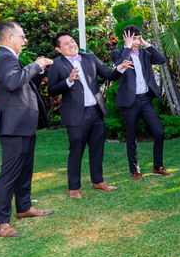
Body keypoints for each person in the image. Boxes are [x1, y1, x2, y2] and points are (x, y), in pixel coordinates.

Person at [48, 32, 131, 199]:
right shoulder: (57, 65)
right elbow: (51, 90)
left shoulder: (89, 57)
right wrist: (69, 81)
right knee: (76, 151)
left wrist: (120, 68)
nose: (71, 44)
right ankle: (73, 187)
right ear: (58, 49)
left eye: (72, 41)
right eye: (66, 44)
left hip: (96, 111)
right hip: (75, 115)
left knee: (97, 149)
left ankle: (98, 181)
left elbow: (108, 74)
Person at [0, 22, 54, 237]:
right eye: (22, 36)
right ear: (9, 38)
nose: (25, 40)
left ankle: (24, 207)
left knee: (25, 169)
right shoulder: (4, 57)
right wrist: (35, 65)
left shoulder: (10, 59)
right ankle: (1, 223)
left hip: (23, 125)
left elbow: (21, 85)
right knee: (9, 174)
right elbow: (12, 82)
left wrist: (38, 70)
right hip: (13, 126)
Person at [111, 26, 173, 181]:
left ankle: (157, 167)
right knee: (131, 137)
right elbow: (120, 64)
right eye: (134, 38)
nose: (136, 42)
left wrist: (146, 43)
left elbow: (161, 60)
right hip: (129, 102)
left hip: (145, 100)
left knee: (159, 132)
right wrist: (127, 46)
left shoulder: (145, 53)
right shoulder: (118, 53)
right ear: (126, 38)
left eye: (138, 38)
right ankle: (135, 170)